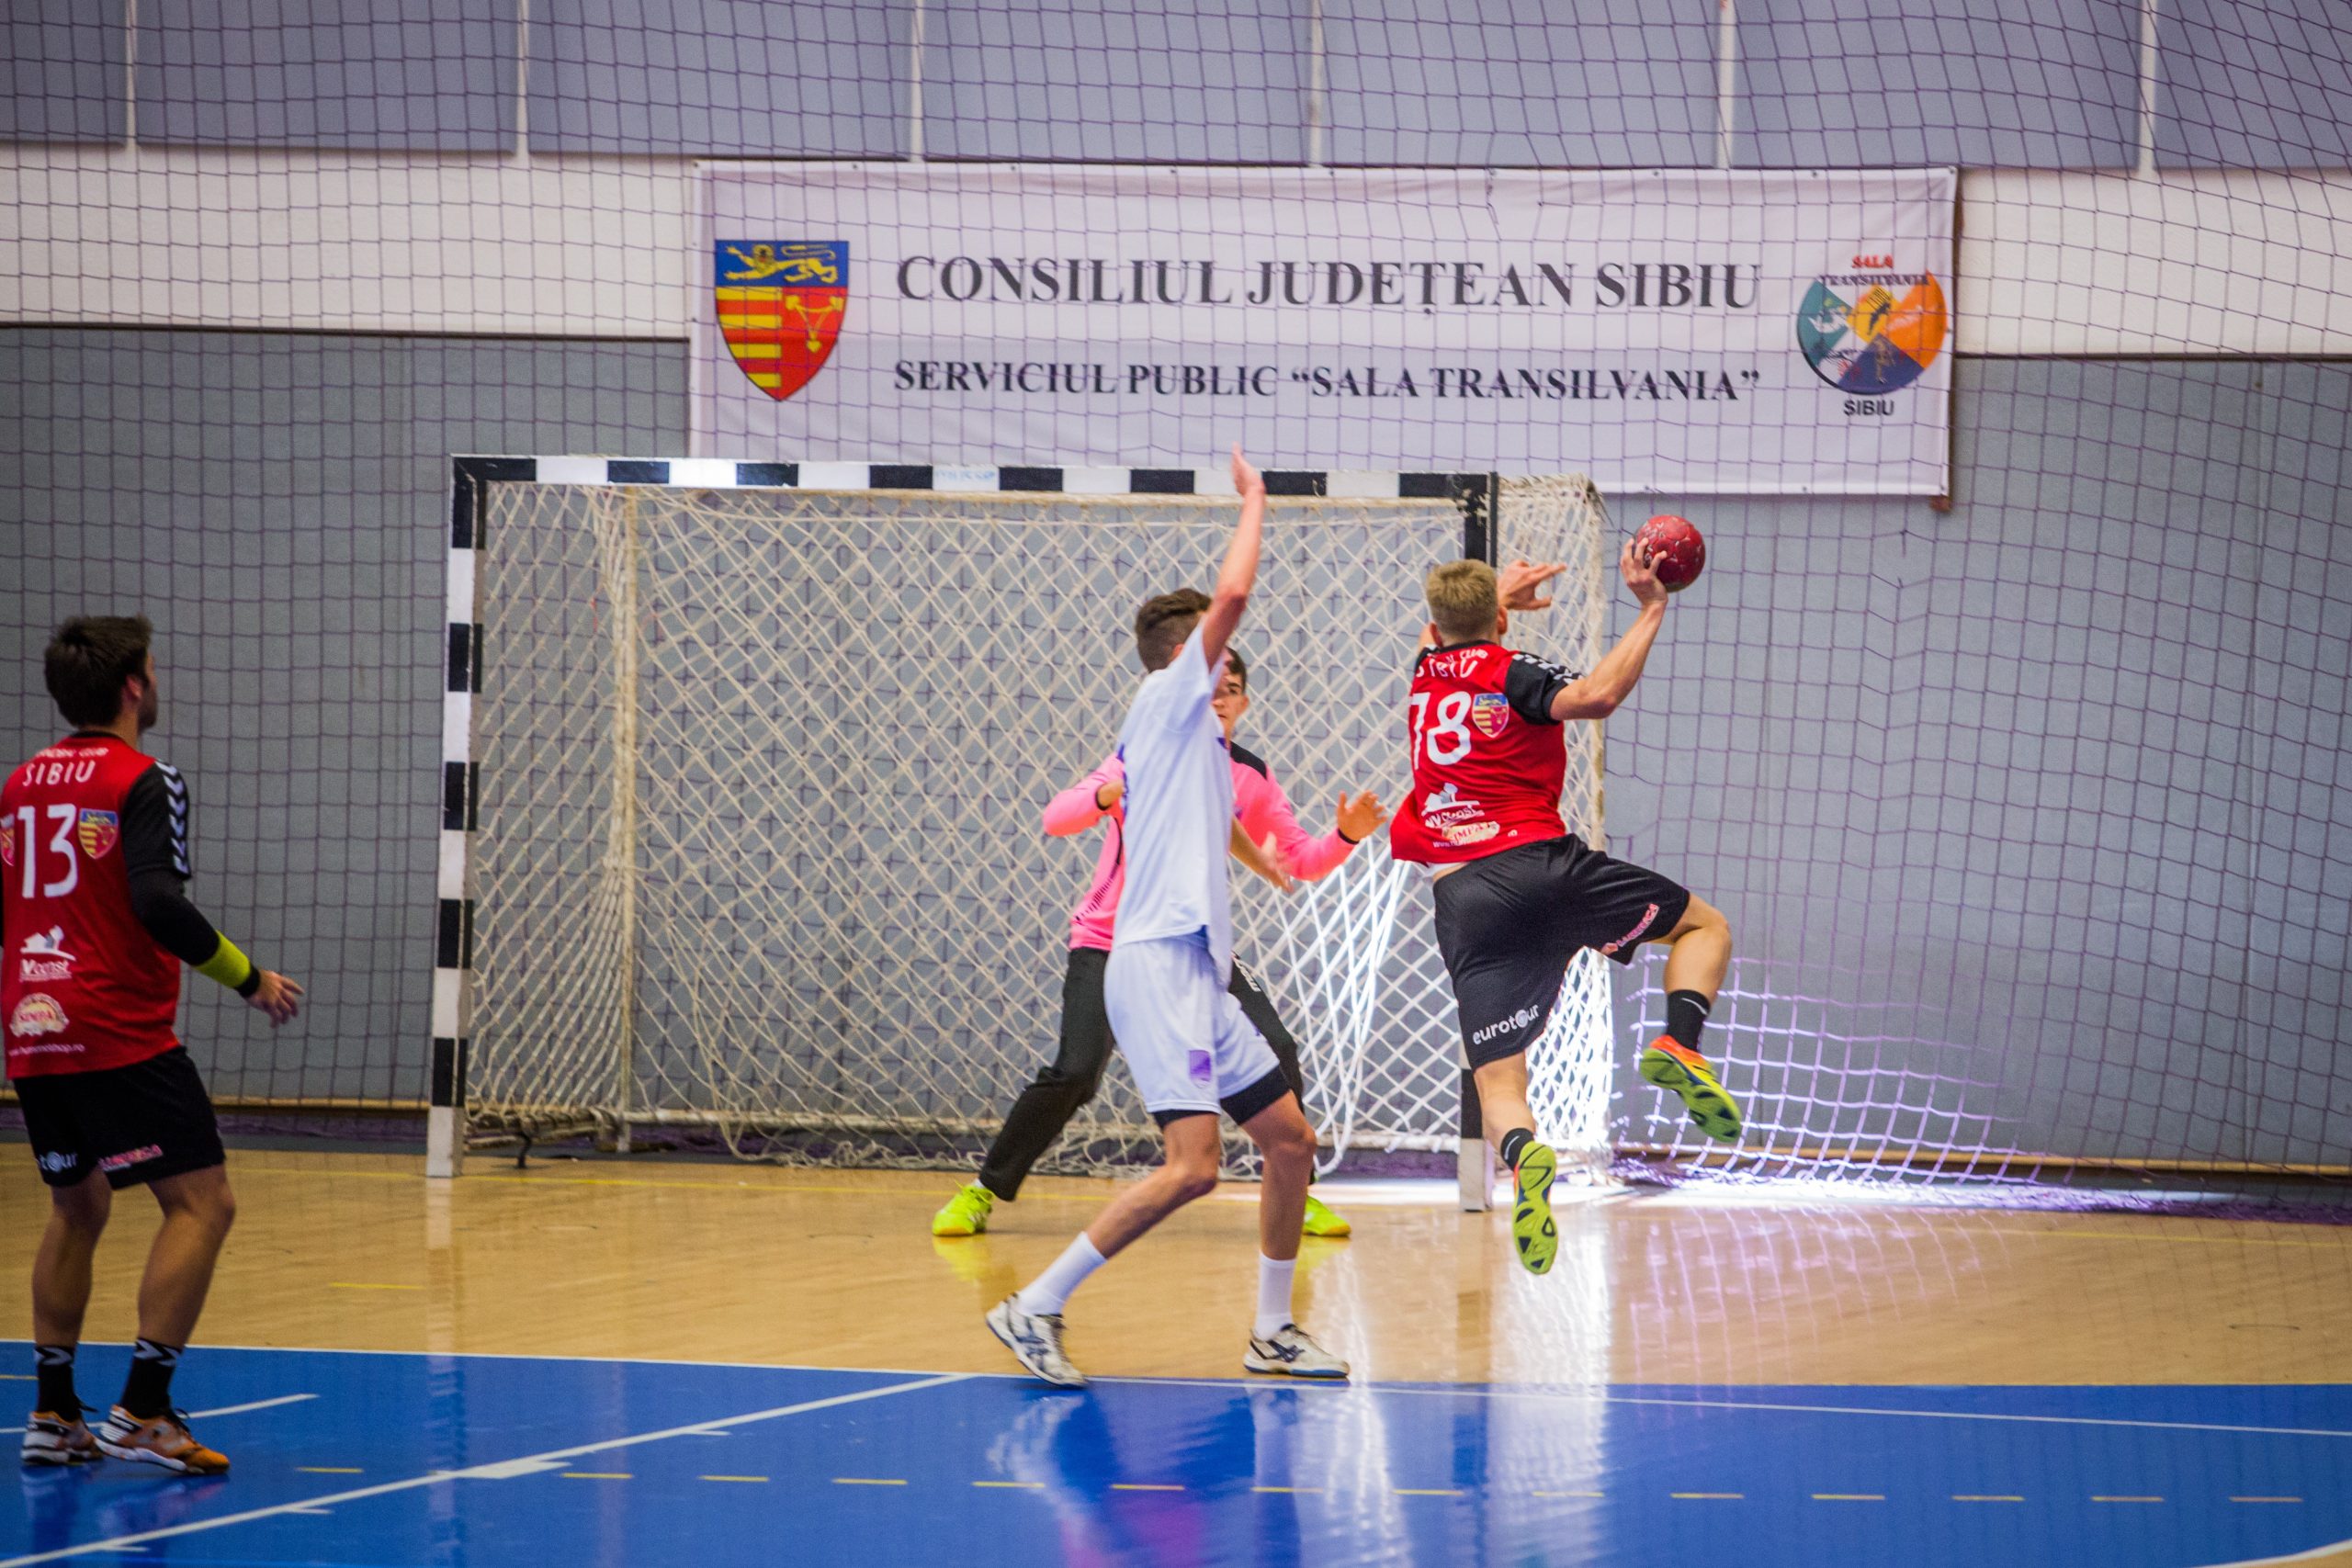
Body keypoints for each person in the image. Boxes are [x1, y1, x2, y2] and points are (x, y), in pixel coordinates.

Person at [985, 448, 1347, 1387]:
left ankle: (1273, 1331)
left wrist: (1274, 861)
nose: (1226, 669)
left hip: (1199, 971)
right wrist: (1256, 500)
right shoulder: (1164, 698)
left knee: (1289, 1143)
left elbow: (1222, 830)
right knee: (1193, 1167)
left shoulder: (1200, 746)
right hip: (1151, 964)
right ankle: (1034, 1305)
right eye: (1214, 657)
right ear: (1189, 661)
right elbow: (1233, 595)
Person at [931, 646, 1387, 1242]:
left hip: (1193, 948)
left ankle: (1296, 1192)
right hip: (1112, 941)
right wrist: (1106, 794)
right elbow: (1057, 817)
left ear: (1245, 703)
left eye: (1231, 690)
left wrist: (1346, 835)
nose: (1219, 700)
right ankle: (984, 1188)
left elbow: (1300, 860)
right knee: (1075, 1071)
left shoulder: (1248, 775)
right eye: (1210, 688)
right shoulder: (1142, 752)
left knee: (1276, 1046)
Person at [6, 616, 302, 1473]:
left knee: (78, 1207)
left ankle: (55, 1413)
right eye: (154, 668)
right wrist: (249, 977)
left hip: (32, 1024)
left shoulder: (20, 785)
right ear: (134, 685)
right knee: (204, 1203)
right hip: (116, 1026)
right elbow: (157, 902)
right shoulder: (146, 778)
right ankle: (142, 1408)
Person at [1392, 549, 1739, 1277]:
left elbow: (1447, 632)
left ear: (1436, 623)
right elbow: (1596, 696)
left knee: (1497, 1081)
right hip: (1539, 867)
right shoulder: (1511, 670)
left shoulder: (1424, 671)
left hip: (1461, 896)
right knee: (1704, 926)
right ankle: (1679, 1044)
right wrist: (1652, 606)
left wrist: (1497, 599)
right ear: (1498, 621)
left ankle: (1526, 1157)